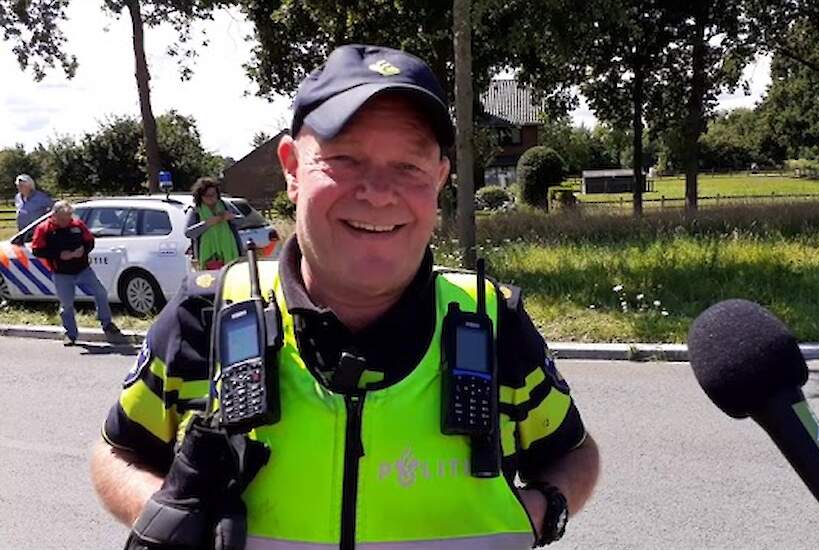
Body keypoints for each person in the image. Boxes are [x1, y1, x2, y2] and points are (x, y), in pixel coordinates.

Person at [91, 45, 599, 549]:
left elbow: (573, 452)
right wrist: (165, 512)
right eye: (345, 160)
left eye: (409, 166)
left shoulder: (491, 321)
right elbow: (116, 453)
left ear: (440, 177)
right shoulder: (206, 315)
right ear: (291, 167)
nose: (378, 193)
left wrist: (540, 514)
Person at [31, 200, 120, 345]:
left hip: (83, 269)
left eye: (68, 218)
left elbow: (90, 241)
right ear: (54, 215)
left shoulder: (77, 224)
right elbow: (37, 250)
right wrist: (59, 255)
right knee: (67, 305)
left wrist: (83, 251)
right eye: (62, 219)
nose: (65, 222)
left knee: (101, 293)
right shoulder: (44, 229)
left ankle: (106, 323)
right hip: (61, 273)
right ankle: (70, 334)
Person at [184, 176, 243, 270]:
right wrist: (207, 223)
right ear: (200, 196)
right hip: (206, 258)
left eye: (213, 195)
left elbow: (242, 221)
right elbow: (188, 232)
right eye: (207, 196)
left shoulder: (225, 205)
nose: (211, 198)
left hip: (230, 253)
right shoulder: (195, 210)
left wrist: (231, 217)